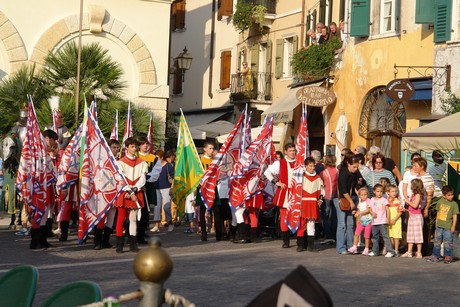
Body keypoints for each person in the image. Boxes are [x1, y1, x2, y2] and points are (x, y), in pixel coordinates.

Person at [113, 137, 148, 253]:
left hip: (135, 192)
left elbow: (142, 179)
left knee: (133, 218)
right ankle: (119, 244)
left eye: (135, 146)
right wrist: (128, 191)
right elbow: (120, 179)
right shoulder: (120, 162)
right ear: (126, 147)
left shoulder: (142, 163)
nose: (134, 149)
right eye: (132, 146)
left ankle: (133, 243)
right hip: (124, 192)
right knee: (121, 218)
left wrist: (134, 190)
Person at [264, 143, 297, 248]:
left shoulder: (299, 162)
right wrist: (276, 182)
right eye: (290, 150)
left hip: (296, 193)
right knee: (284, 217)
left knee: (297, 215)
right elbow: (267, 172)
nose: (292, 152)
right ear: (286, 152)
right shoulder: (280, 163)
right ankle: (286, 241)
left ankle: (300, 240)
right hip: (285, 193)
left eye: (294, 150)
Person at [335, 154, 365, 254]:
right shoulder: (343, 173)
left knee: (350, 223)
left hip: (351, 198)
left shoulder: (355, 171)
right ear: (348, 164)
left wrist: (360, 182)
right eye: (354, 167)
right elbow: (343, 190)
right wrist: (351, 202)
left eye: (357, 167)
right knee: (342, 224)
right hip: (342, 199)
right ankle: (341, 247)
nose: (356, 169)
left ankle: (351, 246)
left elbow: (362, 182)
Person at [296, 157, 324, 252]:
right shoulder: (301, 177)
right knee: (301, 223)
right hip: (303, 202)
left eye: (313, 166)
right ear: (306, 166)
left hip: (313, 202)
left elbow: (321, 190)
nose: (312, 168)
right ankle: (300, 245)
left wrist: (320, 199)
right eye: (310, 166)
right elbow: (297, 190)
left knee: (311, 224)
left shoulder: (317, 178)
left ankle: (310, 246)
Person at [425, 185, 459, 264]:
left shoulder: (454, 204)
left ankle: (447, 257)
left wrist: (453, 226)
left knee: (448, 242)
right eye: (449, 195)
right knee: (437, 241)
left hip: (448, 227)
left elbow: (455, 216)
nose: (451, 196)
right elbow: (438, 213)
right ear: (444, 195)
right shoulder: (440, 201)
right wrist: (436, 224)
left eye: (452, 194)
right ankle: (435, 256)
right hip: (439, 226)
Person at [368, 184, 396, 257]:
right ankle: (375, 251)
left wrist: (387, 218)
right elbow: (369, 208)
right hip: (375, 222)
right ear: (374, 191)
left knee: (385, 237)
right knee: (375, 237)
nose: (379, 193)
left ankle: (390, 251)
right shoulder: (372, 199)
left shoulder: (384, 200)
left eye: (381, 191)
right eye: (377, 191)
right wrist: (372, 213)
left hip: (382, 221)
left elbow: (387, 209)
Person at [401, 178, 424, 258]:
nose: (410, 187)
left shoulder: (418, 195)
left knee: (418, 235)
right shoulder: (413, 195)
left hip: (417, 217)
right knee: (410, 235)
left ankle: (419, 252)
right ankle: (409, 251)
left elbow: (415, 205)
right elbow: (411, 206)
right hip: (411, 216)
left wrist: (407, 201)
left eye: (411, 185)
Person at [319, 154, 338, 245]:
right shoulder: (338, 171)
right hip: (336, 196)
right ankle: (334, 235)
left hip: (326, 196)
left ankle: (329, 236)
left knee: (325, 217)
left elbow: (320, 184)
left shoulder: (323, 173)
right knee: (334, 217)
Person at [347, 187, 372, 255]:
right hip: (361, 221)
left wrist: (359, 213)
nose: (363, 196)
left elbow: (368, 210)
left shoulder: (369, 201)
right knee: (356, 234)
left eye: (365, 194)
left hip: (368, 221)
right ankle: (355, 246)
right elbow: (359, 210)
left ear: (367, 195)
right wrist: (355, 212)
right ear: (359, 195)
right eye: (362, 195)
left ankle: (366, 248)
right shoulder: (360, 202)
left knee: (366, 236)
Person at [387, 184, 404, 256]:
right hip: (389, 220)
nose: (394, 193)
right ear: (388, 192)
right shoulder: (386, 201)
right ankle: (391, 249)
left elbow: (400, 211)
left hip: (396, 220)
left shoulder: (397, 201)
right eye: (392, 191)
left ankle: (396, 250)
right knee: (390, 235)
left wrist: (394, 219)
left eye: (395, 191)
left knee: (396, 236)